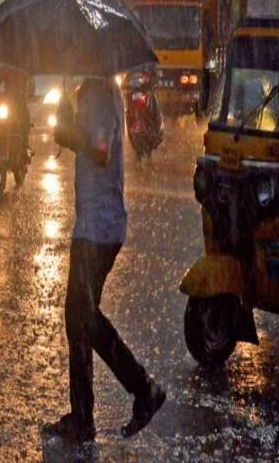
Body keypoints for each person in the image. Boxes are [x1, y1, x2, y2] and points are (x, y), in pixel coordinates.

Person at [44, 77, 165, 444]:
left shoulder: (98, 93)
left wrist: (68, 134)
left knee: (83, 318)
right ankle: (84, 417)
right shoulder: (98, 91)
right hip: (96, 225)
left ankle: (142, 389)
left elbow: (100, 150)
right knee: (79, 318)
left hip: (97, 229)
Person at [0, 65, 32, 158]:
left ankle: (25, 147)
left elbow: (29, 89)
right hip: (7, 104)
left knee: (25, 121)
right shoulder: (4, 70)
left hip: (19, 104)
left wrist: (27, 95)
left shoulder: (24, 71)